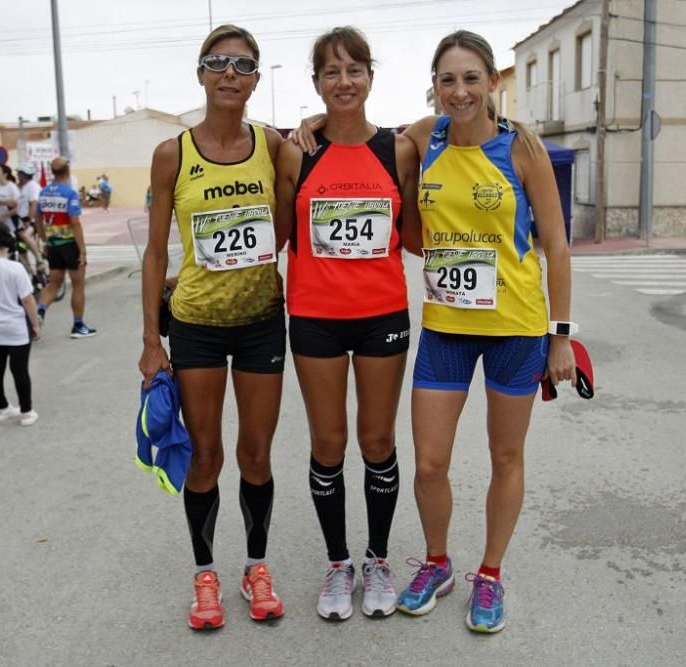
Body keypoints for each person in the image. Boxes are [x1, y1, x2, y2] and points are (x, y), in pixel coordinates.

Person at [294, 29, 576, 634]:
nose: (460, 91)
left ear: (493, 82)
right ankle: (438, 562)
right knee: (429, 464)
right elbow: (357, 132)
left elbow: (556, 244)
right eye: (448, 80)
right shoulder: (424, 137)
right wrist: (318, 116)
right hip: (446, 326)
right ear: (435, 87)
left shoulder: (522, 148)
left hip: (517, 328)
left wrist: (560, 335)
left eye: (472, 78)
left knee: (506, 456)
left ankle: (491, 573)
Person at [139, 24, 286, 631]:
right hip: (196, 324)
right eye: (217, 62)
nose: (230, 73)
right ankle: (205, 575)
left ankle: (256, 567)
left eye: (243, 64)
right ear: (201, 74)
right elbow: (154, 253)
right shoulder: (173, 152)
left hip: (260, 322)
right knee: (205, 455)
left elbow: (297, 218)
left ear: (255, 79)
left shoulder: (276, 146)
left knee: (256, 454)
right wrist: (152, 340)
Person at [273, 26, 419, 621]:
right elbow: (277, 236)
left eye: (354, 69)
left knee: (377, 441)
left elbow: (413, 234)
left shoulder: (399, 149)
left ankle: (378, 558)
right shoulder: (295, 151)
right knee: (329, 444)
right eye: (331, 72)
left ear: (370, 77)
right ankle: (338, 565)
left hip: (383, 313)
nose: (344, 81)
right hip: (314, 318)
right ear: (316, 84)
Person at [0, 221, 40, 426]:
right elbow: (27, 299)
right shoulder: (15, 268)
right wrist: (35, 323)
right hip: (16, 326)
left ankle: (1, 408)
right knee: (20, 370)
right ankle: (27, 411)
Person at [35, 156, 96, 339]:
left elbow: (38, 219)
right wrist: (83, 251)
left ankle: (39, 312)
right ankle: (78, 325)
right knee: (78, 285)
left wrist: (45, 241)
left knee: (53, 284)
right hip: (69, 244)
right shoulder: (69, 194)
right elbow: (75, 223)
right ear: (67, 172)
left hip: (53, 245)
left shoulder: (43, 193)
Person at [15, 163, 47, 273]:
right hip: (20, 223)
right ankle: (30, 275)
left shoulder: (32, 186)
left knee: (26, 235)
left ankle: (39, 258)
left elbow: (34, 203)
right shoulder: (22, 187)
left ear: (23, 175)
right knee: (21, 250)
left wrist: (29, 219)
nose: (17, 175)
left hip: (33, 221)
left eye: (19, 173)